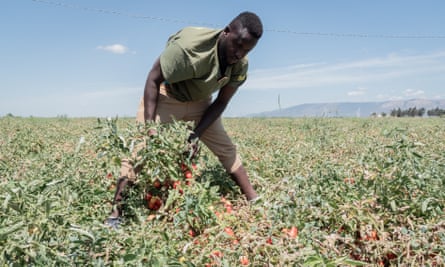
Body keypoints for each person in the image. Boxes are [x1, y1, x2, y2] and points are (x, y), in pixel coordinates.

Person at [106, 11, 263, 228]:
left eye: (247, 50)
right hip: (167, 96)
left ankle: (255, 201)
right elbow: (152, 79)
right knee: (140, 150)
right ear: (226, 32)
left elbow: (221, 102)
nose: (239, 53)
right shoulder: (189, 48)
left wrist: (195, 135)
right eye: (237, 44)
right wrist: (150, 129)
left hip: (200, 103)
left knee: (226, 149)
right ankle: (115, 214)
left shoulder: (240, 64)